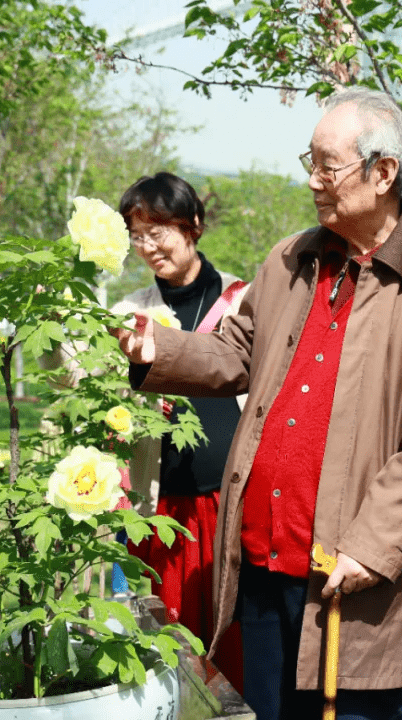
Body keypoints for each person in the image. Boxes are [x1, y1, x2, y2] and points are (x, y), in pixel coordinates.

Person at [113, 87, 402, 720]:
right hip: (260, 554)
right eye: (309, 160)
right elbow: (233, 353)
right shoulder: (289, 259)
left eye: (326, 165)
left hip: (351, 570)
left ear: (383, 172)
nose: (312, 180)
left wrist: (373, 544)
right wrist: (156, 351)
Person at [113, 172, 248, 693]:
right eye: (137, 234)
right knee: (165, 646)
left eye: (159, 231)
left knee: (232, 639)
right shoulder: (128, 313)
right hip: (160, 507)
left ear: (193, 225)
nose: (148, 247)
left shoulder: (244, 300)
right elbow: (74, 381)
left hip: (230, 504)